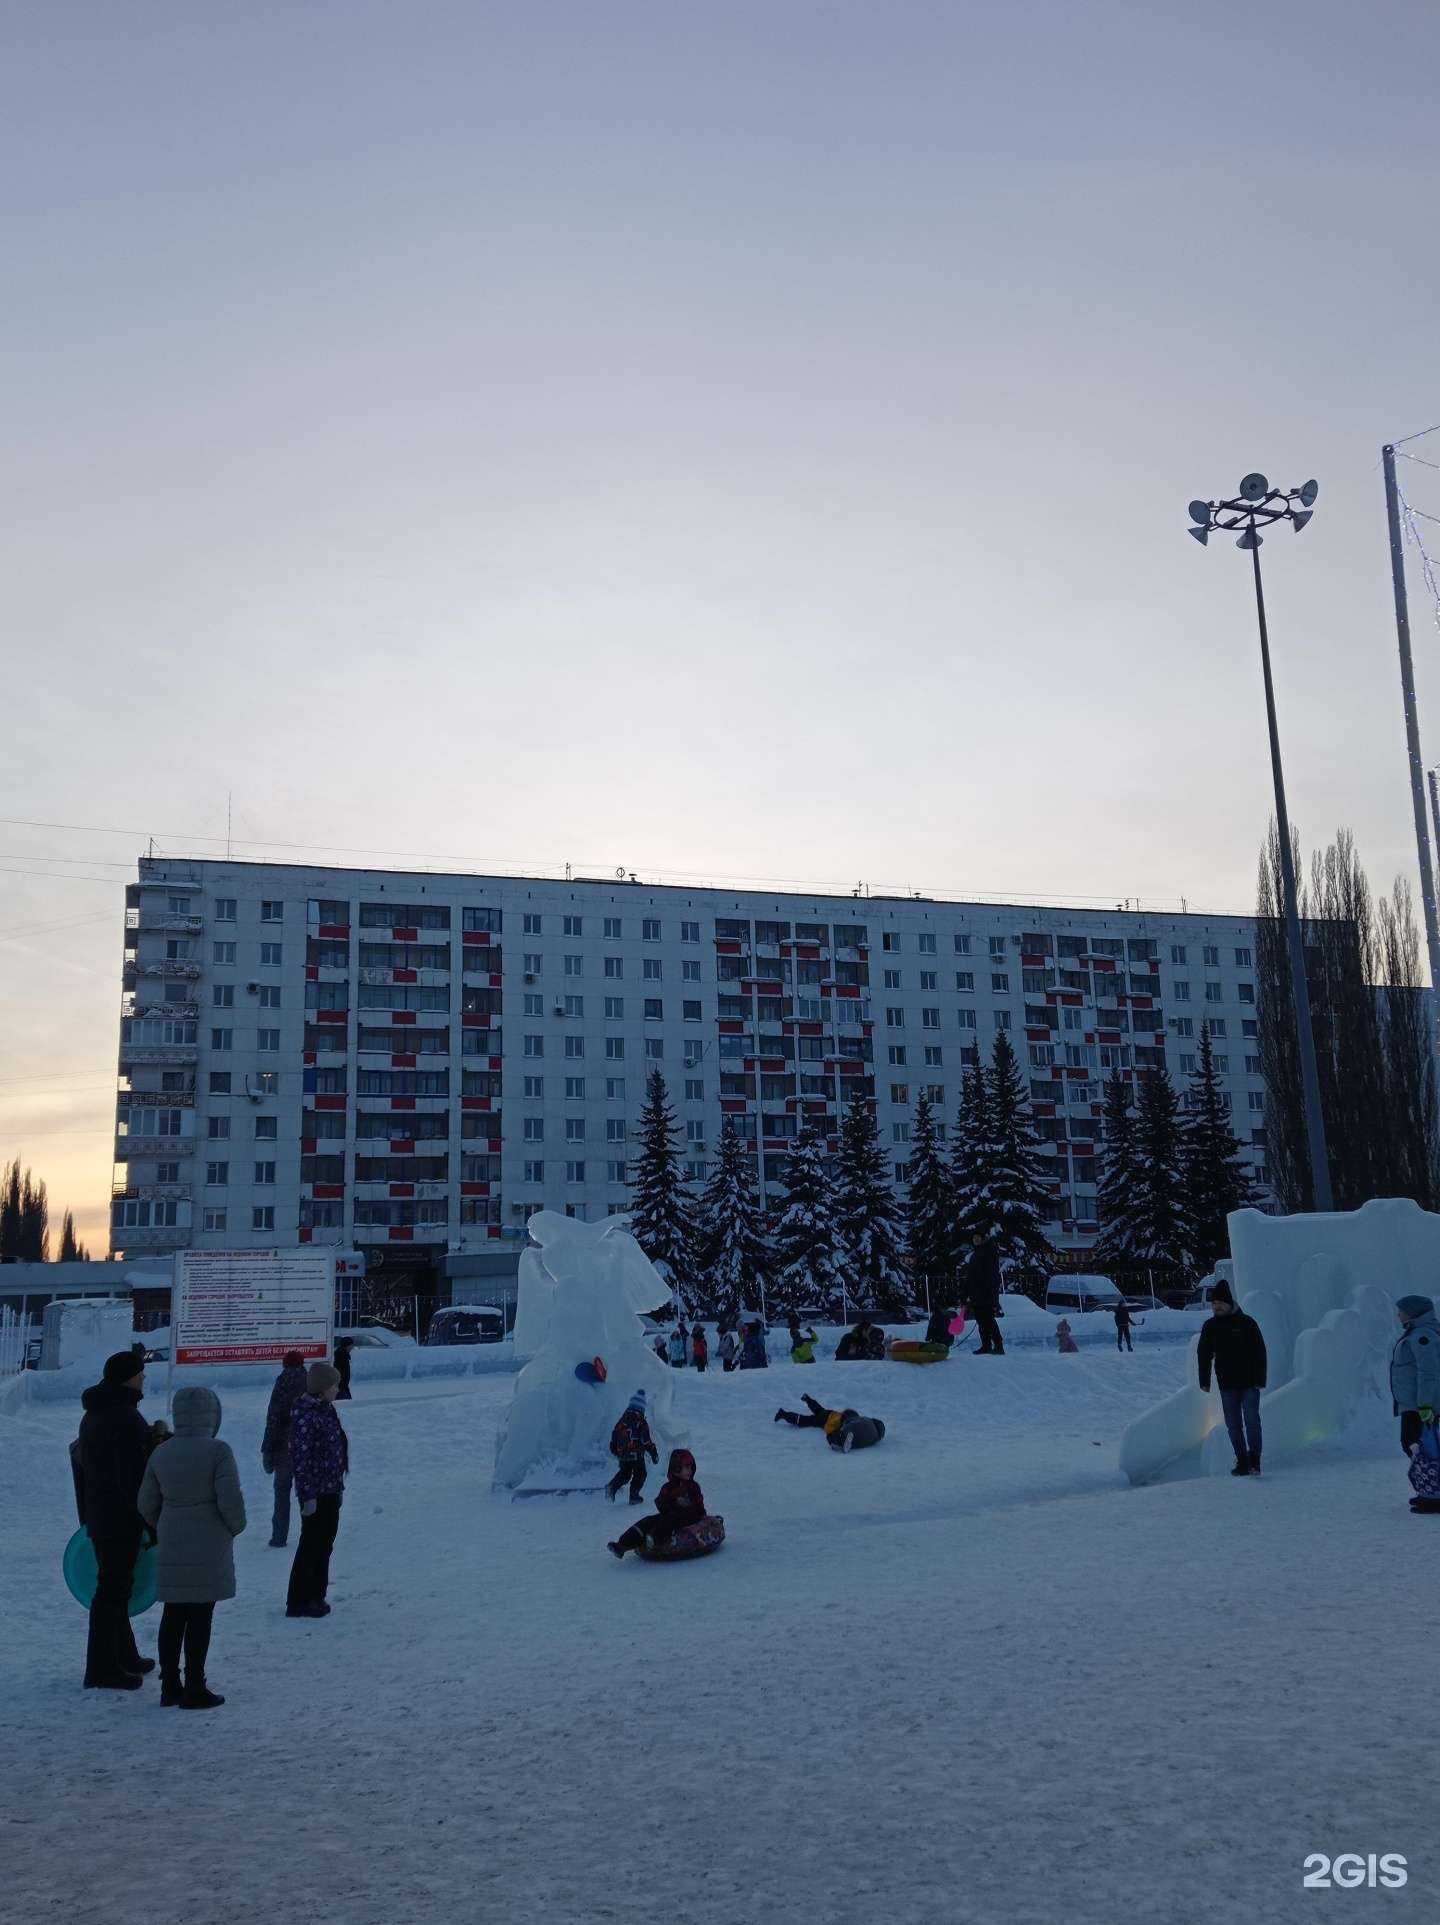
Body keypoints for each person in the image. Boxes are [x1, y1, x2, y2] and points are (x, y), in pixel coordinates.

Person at [138, 1386, 246, 1710]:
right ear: (212, 1415)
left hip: (172, 1534)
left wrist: (165, 1522)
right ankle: (195, 1686)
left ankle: (170, 1685)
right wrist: (234, 1526)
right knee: (201, 1615)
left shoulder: (162, 1452)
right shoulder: (218, 1451)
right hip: (209, 1540)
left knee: (173, 1613)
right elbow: (230, 1501)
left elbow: (145, 1502)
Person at [74, 1349, 161, 1690]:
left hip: (102, 1513)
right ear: (128, 1378)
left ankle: (123, 1656)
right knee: (112, 1589)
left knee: (116, 1587)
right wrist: (146, 1515)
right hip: (118, 1515)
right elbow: (131, 1473)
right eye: (140, 1373)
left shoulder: (101, 1411)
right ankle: (101, 1668)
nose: (144, 1378)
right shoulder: (122, 1416)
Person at [286, 1361, 349, 1618]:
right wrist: (307, 1496)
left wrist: (339, 1484)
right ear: (322, 1388)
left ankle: (316, 1594)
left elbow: (335, 1450)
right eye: (334, 1384)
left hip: (331, 1487)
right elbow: (301, 1460)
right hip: (316, 1491)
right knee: (311, 1544)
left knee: (325, 1544)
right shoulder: (305, 1415)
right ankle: (299, 1600)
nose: (338, 1388)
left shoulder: (326, 1410)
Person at [1197, 1280, 1267, 1476]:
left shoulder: (1247, 1323)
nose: (1216, 1306)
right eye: (1213, 1303)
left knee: (1252, 1420)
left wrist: (1260, 1379)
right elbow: (1204, 1354)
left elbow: (1259, 1352)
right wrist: (1205, 1380)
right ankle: (1242, 1460)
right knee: (1233, 1425)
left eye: (1220, 1303)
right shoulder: (1210, 1326)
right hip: (1226, 1384)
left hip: (1249, 1383)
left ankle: (1255, 1460)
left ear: (1229, 1303)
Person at [608, 1448, 707, 1558]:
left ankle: (654, 1540)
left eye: (691, 1467)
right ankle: (622, 1545)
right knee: (649, 1521)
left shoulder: (693, 1487)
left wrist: (688, 1507)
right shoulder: (669, 1487)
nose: (690, 1471)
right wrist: (669, 1504)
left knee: (668, 1521)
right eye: (686, 1468)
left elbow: (699, 1507)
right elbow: (660, 1502)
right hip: (670, 1515)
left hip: (688, 1517)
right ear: (676, 1469)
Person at [261, 1350, 308, 1548]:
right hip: (305, 1446)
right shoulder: (310, 1382)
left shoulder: (282, 1382)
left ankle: (279, 1536)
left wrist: (267, 1450)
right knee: (306, 1492)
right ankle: (311, 1534)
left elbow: (273, 1417)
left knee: (282, 1492)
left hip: (283, 1446)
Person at [1391, 1293, 1440, 1460]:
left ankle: (1433, 1482)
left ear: (1413, 1313)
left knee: (1417, 1447)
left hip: (1418, 1406)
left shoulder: (1422, 1336)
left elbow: (1429, 1372)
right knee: (1417, 1447)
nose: (1398, 1314)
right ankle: (1431, 1482)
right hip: (1413, 1404)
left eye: (1402, 1311)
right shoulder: (1417, 1333)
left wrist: (1425, 1405)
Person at [773, 1393, 885, 1451]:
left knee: (817, 1410)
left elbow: (831, 1428)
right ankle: (783, 1413)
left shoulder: (843, 1417)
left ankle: (807, 1399)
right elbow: (830, 1431)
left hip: (829, 1414)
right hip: (826, 1419)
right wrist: (833, 1438)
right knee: (804, 1420)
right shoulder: (844, 1421)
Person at [606, 1390, 659, 1502]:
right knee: (640, 1474)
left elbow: (615, 1432)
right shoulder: (641, 1422)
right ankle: (634, 1496)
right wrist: (653, 1452)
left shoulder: (622, 1419)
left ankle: (612, 1486)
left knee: (625, 1474)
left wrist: (614, 1446)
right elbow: (646, 1441)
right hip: (636, 1455)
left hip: (623, 1454)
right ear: (642, 1408)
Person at [963, 1241, 1005, 1355]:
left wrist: (988, 1292)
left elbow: (991, 1277)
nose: (975, 1240)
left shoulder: (988, 1253)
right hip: (976, 1295)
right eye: (974, 1238)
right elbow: (971, 1276)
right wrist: (967, 1292)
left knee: (989, 1320)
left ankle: (998, 1346)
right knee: (981, 1321)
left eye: (978, 1238)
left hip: (986, 1295)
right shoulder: (975, 1255)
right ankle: (986, 1345)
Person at [334, 1336, 355, 1400]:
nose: (352, 1347)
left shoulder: (343, 1354)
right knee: (346, 1404)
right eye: (351, 1345)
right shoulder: (342, 1355)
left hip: (343, 1386)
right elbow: (339, 1372)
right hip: (341, 1387)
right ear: (347, 1345)